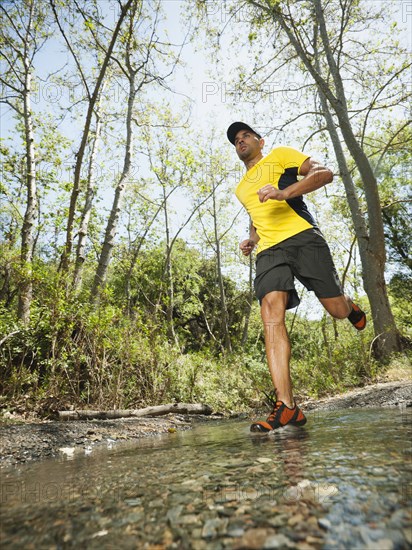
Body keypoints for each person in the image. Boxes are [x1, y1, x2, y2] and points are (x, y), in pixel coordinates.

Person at [227, 121, 366, 433]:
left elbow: (324, 173)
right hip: (270, 253)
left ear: (260, 141)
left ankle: (349, 305)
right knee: (270, 315)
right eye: (235, 140)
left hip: (303, 238)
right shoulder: (240, 189)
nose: (240, 141)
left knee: (336, 310)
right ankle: (287, 407)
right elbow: (256, 216)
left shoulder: (280, 155)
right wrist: (253, 239)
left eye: (245, 135)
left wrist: (284, 192)